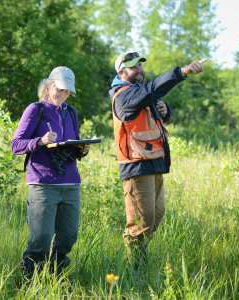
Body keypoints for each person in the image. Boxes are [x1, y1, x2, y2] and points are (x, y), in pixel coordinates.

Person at [108, 51, 208, 265]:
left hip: (153, 162)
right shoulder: (124, 95)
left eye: (140, 65)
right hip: (136, 166)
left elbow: (154, 110)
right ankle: (134, 273)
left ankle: (138, 261)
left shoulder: (138, 93)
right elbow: (152, 89)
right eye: (134, 67)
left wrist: (165, 110)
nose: (139, 69)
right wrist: (182, 71)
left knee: (156, 216)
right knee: (140, 225)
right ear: (121, 72)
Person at [11, 66, 90, 279]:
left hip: (71, 183)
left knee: (68, 237)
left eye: (67, 92)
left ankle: (56, 279)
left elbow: (73, 147)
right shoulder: (35, 110)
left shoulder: (71, 112)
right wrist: (40, 141)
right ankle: (28, 281)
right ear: (48, 86)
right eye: (60, 89)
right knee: (41, 239)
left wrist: (82, 149)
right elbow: (16, 145)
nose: (63, 95)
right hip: (43, 184)